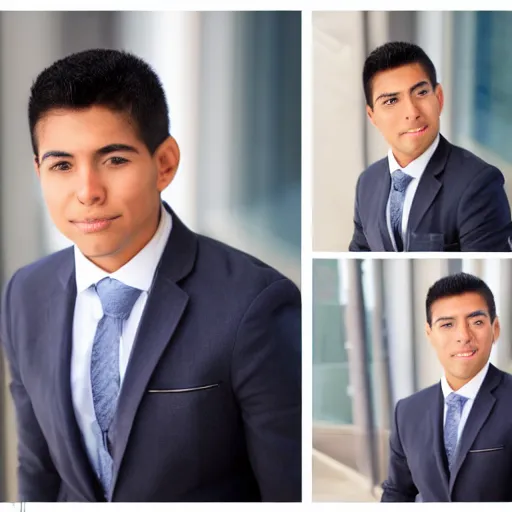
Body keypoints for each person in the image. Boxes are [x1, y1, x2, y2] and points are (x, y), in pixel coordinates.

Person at [0, 49, 301, 502]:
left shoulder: (255, 304)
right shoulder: (24, 293)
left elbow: (288, 495)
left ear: (164, 163)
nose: (87, 193)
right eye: (62, 165)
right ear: (39, 171)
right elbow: (38, 470)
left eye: (114, 160)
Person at [349, 41, 512, 252]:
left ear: (439, 98)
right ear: (372, 116)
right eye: (391, 101)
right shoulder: (367, 183)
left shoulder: (479, 184)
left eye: (421, 93)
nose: (412, 112)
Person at [381, 272, 512, 502]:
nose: (463, 336)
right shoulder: (407, 411)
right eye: (447, 324)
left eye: (477, 322)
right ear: (429, 333)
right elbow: (398, 491)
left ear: (496, 328)